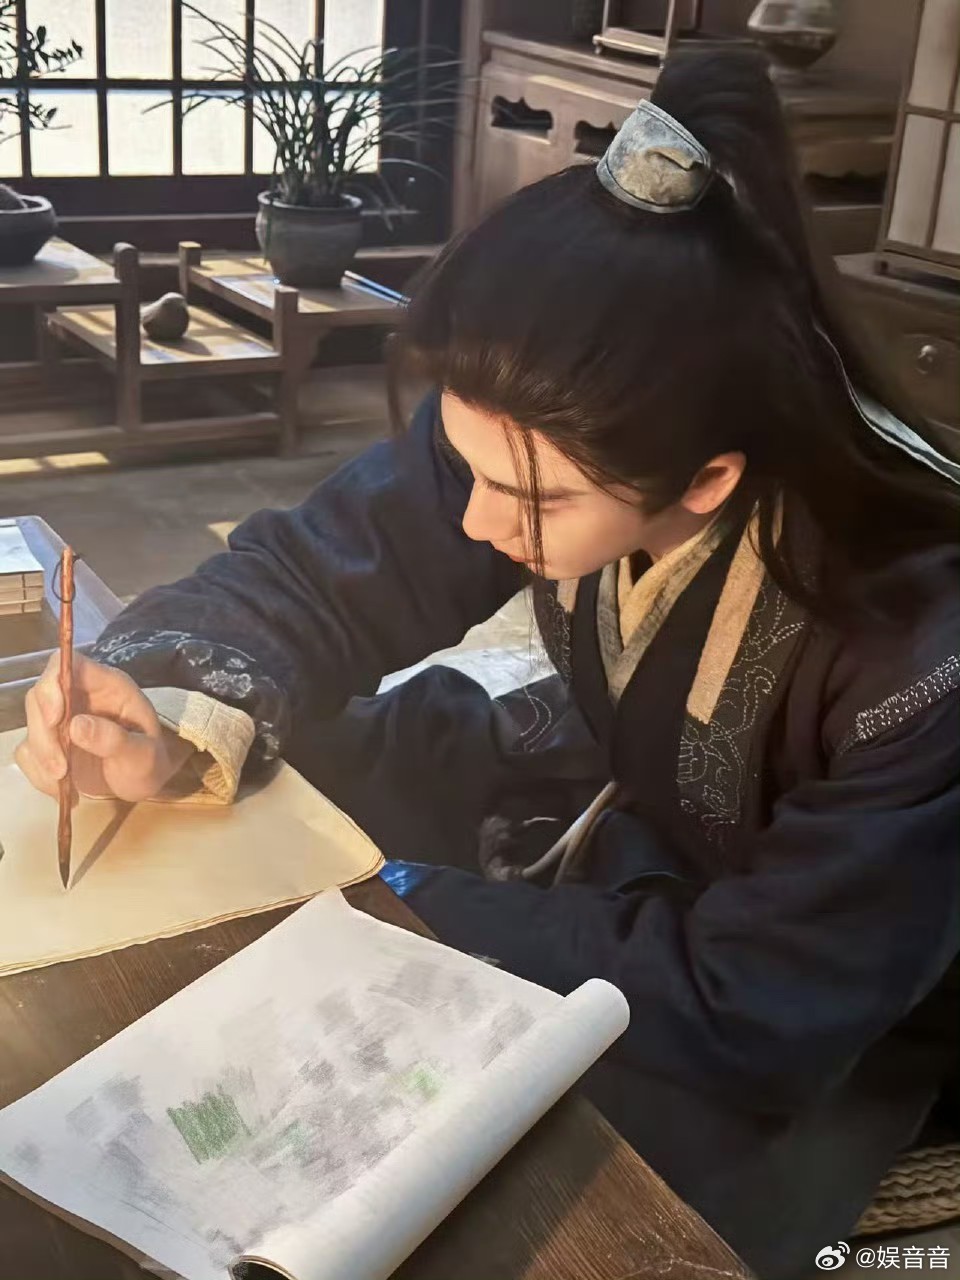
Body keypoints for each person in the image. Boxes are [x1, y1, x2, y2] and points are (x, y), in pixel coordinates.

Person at [17, 50, 960, 1279]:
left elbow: (762, 1002)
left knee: (550, 1200)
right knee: (294, 760)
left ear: (710, 479)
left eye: (536, 501)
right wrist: (155, 708)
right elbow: (313, 575)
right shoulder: (544, 424)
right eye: (465, 467)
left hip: (833, 966)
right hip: (640, 803)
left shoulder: (919, 644)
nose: (474, 521)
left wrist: (404, 901)